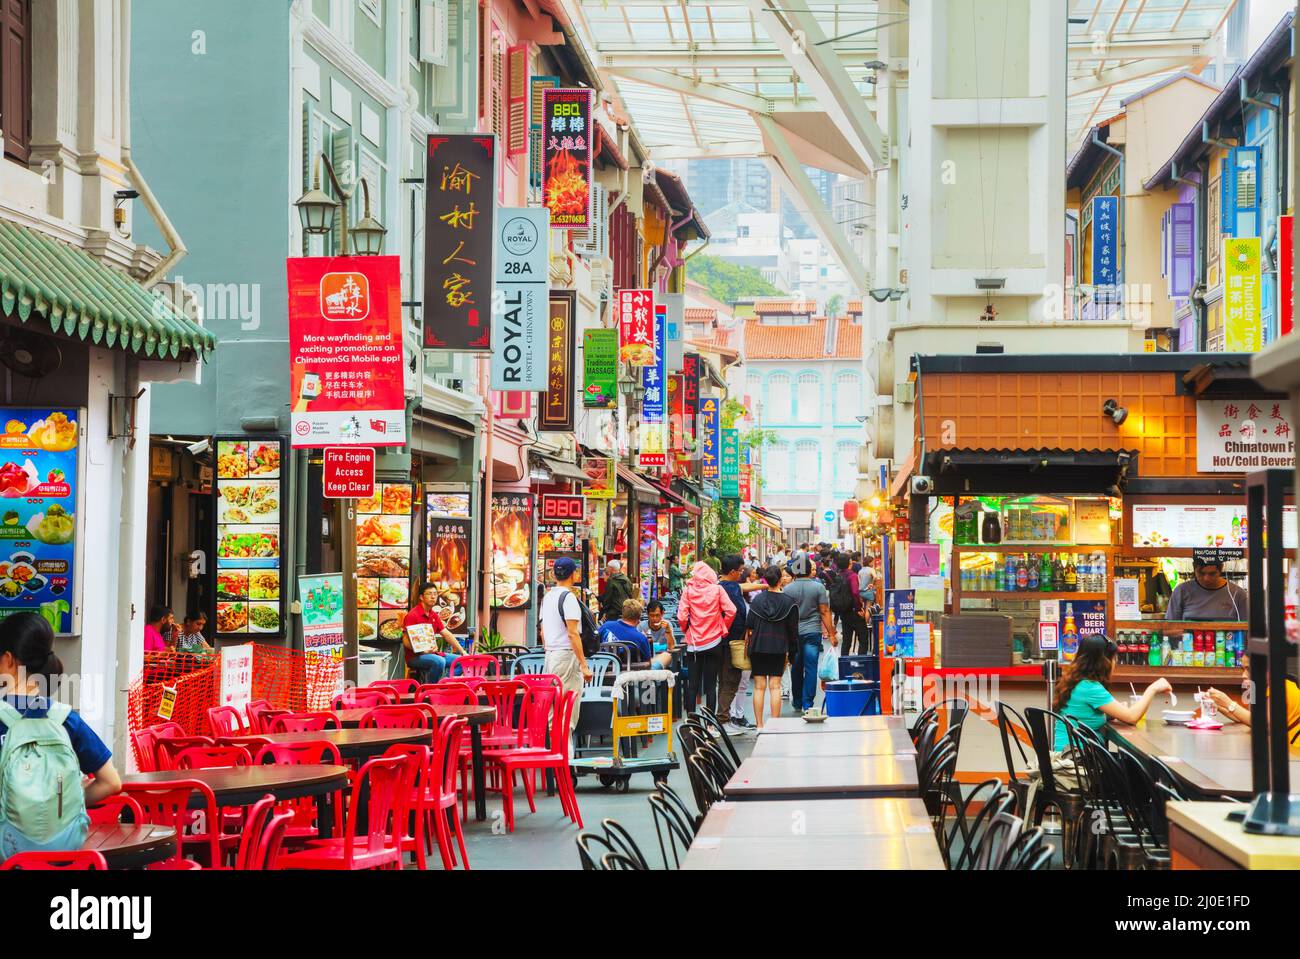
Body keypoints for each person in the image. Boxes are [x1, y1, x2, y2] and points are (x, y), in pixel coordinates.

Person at [0, 612, 121, 856]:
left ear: (9, 660)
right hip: (65, 852)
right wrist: (66, 802)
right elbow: (112, 783)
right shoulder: (67, 719)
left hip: (8, 853)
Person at [1053, 635, 1171, 750]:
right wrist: (1153, 688)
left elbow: (1083, 714)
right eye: (1114, 658)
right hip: (1076, 761)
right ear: (1104, 662)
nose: (1116, 662)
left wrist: (1114, 712)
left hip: (1070, 755)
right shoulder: (1090, 688)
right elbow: (1131, 717)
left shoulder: (1077, 682)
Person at [539, 557, 593, 735]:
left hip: (551, 657)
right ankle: (565, 759)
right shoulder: (568, 598)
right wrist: (583, 665)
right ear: (574, 574)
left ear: (554, 574)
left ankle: (555, 758)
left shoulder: (547, 597)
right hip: (566, 657)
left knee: (553, 714)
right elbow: (573, 633)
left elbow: (543, 632)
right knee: (566, 715)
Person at [676, 561, 737, 715]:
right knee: (711, 686)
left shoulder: (688, 591)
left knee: (692, 685)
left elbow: (682, 617)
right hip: (714, 643)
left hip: (694, 645)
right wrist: (723, 628)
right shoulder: (718, 589)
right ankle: (710, 724)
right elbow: (731, 610)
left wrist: (686, 630)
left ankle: (691, 722)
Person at [746, 566, 799, 730]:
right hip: (778, 646)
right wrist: (792, 652)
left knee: (759, 686)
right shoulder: (789, 603)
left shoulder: (757, 601)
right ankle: (774, 725)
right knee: (775, 686)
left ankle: (759, 726)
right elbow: (793, 631)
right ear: (780, 580)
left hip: (758, 646)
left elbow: (750, 625)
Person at [783, 558, 835, 713]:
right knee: (811, 667)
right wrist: (831, 634)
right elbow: (824, 611)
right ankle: (808, 703)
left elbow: (785, 614)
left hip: (793, 633)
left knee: (796, 667)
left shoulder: (787, 589)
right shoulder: (818, 587)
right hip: (813, 632)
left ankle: (797, 700)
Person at [717, 555, 760, 734]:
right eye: (741, 571)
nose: (742, 574)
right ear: (733, 572)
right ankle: (723, 720)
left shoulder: (722, 586)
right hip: (730, 641)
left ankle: (722, 718)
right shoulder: (729, 588)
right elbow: (735, 613)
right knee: (731, 679)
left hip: (719, 640)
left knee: (726, 680)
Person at [1205, 657, 1300, 729]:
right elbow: (1246, 717)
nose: (1243, 675)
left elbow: (1261, 723)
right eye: (1243, 669)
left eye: (1249, 669)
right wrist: (1219, 705)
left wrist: (1228, 703)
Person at [401, 582, 467, 684]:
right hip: (415, 657)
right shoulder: (412, 615)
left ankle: (443, 684)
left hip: (433, 653)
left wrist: (463, 652)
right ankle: (430, 689)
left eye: (435, 594)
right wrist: (422, 651)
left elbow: (447, 634)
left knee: (462, 661)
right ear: (421, 597)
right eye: (429, 594)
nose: (433, 597)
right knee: (439, 661)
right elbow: (405, 641)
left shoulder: (434, 615)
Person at [1167, 557, 1249, 622]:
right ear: (1193, 568)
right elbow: (1169, 628)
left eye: (1212, 573)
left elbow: (1247, 630)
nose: (1206, 578)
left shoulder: (1238, 594)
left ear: (1221, 568)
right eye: (1201, 573)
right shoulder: (1181, 591)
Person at [831, 552, 870, 657]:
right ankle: (861, 663)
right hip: (854, 612)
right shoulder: (852, 576)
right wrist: (858, 609)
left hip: (844, 612)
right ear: (850, 563)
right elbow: (855, 593)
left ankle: (844, 665)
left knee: (846, 641)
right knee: (863, 639)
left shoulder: (838, 575)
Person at [639, 600, 677, 669]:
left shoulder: (667, 625)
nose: (654, 618)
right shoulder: (641, 626)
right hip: (647, 659)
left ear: (662, 614)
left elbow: (671, 647)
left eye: (657, 615)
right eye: (651, 615)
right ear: (647, 614)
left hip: (663, 660)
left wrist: (668, 631)